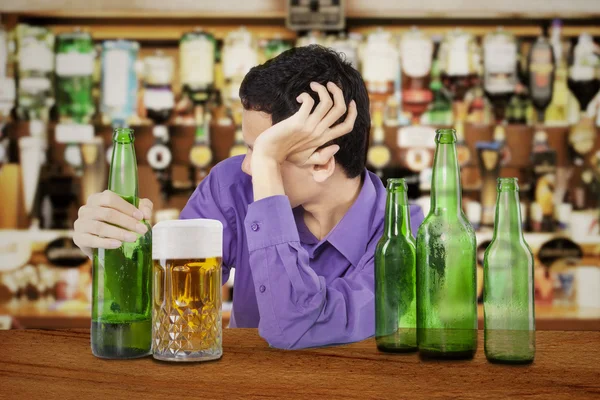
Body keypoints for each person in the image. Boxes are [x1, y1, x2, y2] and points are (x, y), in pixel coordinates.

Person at [73, 45, 424, 349]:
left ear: (322, 162)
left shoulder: (407, 237)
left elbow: (294, 326)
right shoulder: (230, 186)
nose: (247, 167)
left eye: (264, 150)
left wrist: (268, 164)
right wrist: (118, 255)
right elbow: (171, 307)